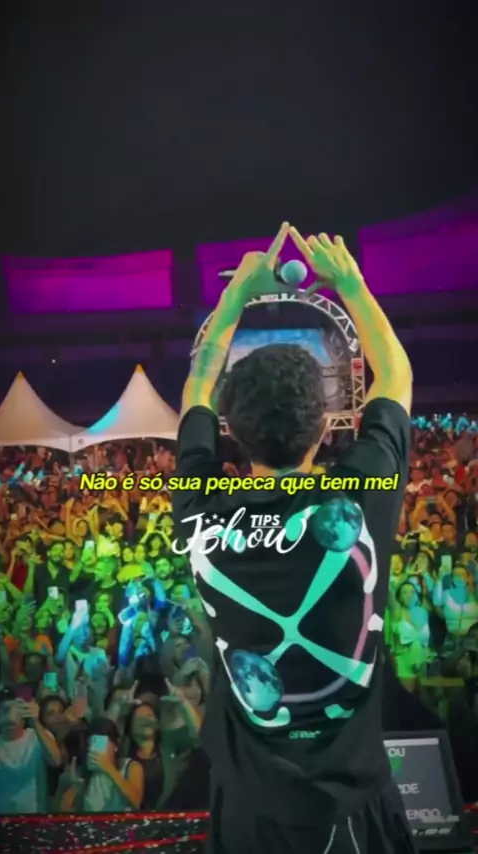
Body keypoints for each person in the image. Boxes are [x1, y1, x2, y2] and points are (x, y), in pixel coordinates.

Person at [172, 224, 415, 853]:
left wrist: (235, 298)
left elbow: (197, 384)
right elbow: (395, 372)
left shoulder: (201, 506)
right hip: (352, 808)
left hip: (249, 809)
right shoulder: (360, 494)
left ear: (231, 431)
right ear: (325, 426)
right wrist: (350, 283)